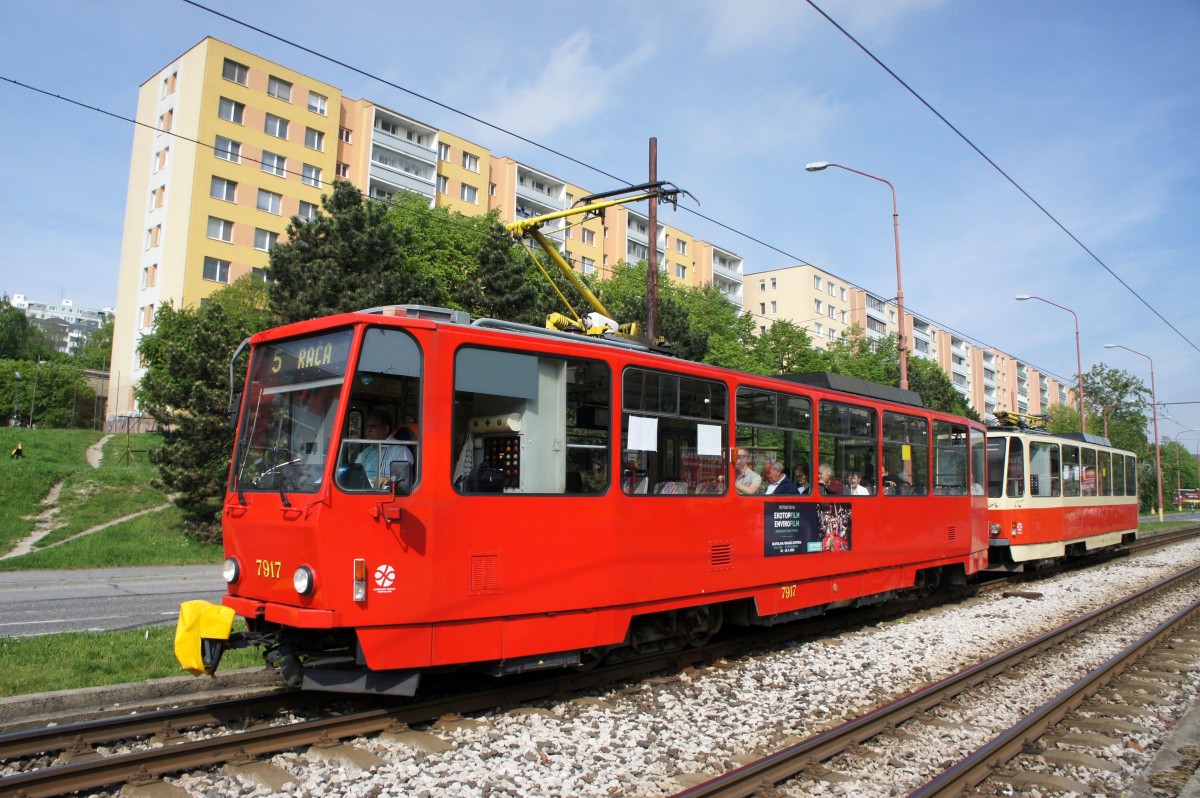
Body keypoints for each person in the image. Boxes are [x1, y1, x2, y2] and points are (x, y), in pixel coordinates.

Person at [357, 410, 413, 488]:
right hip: (361, 491)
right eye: (367, 427)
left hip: (384, 494)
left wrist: (388, 480)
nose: (368, 430)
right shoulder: (366, 452)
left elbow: (403, 480)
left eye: (373, 426)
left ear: (386, 429)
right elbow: (355, 473)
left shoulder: (400, 450)